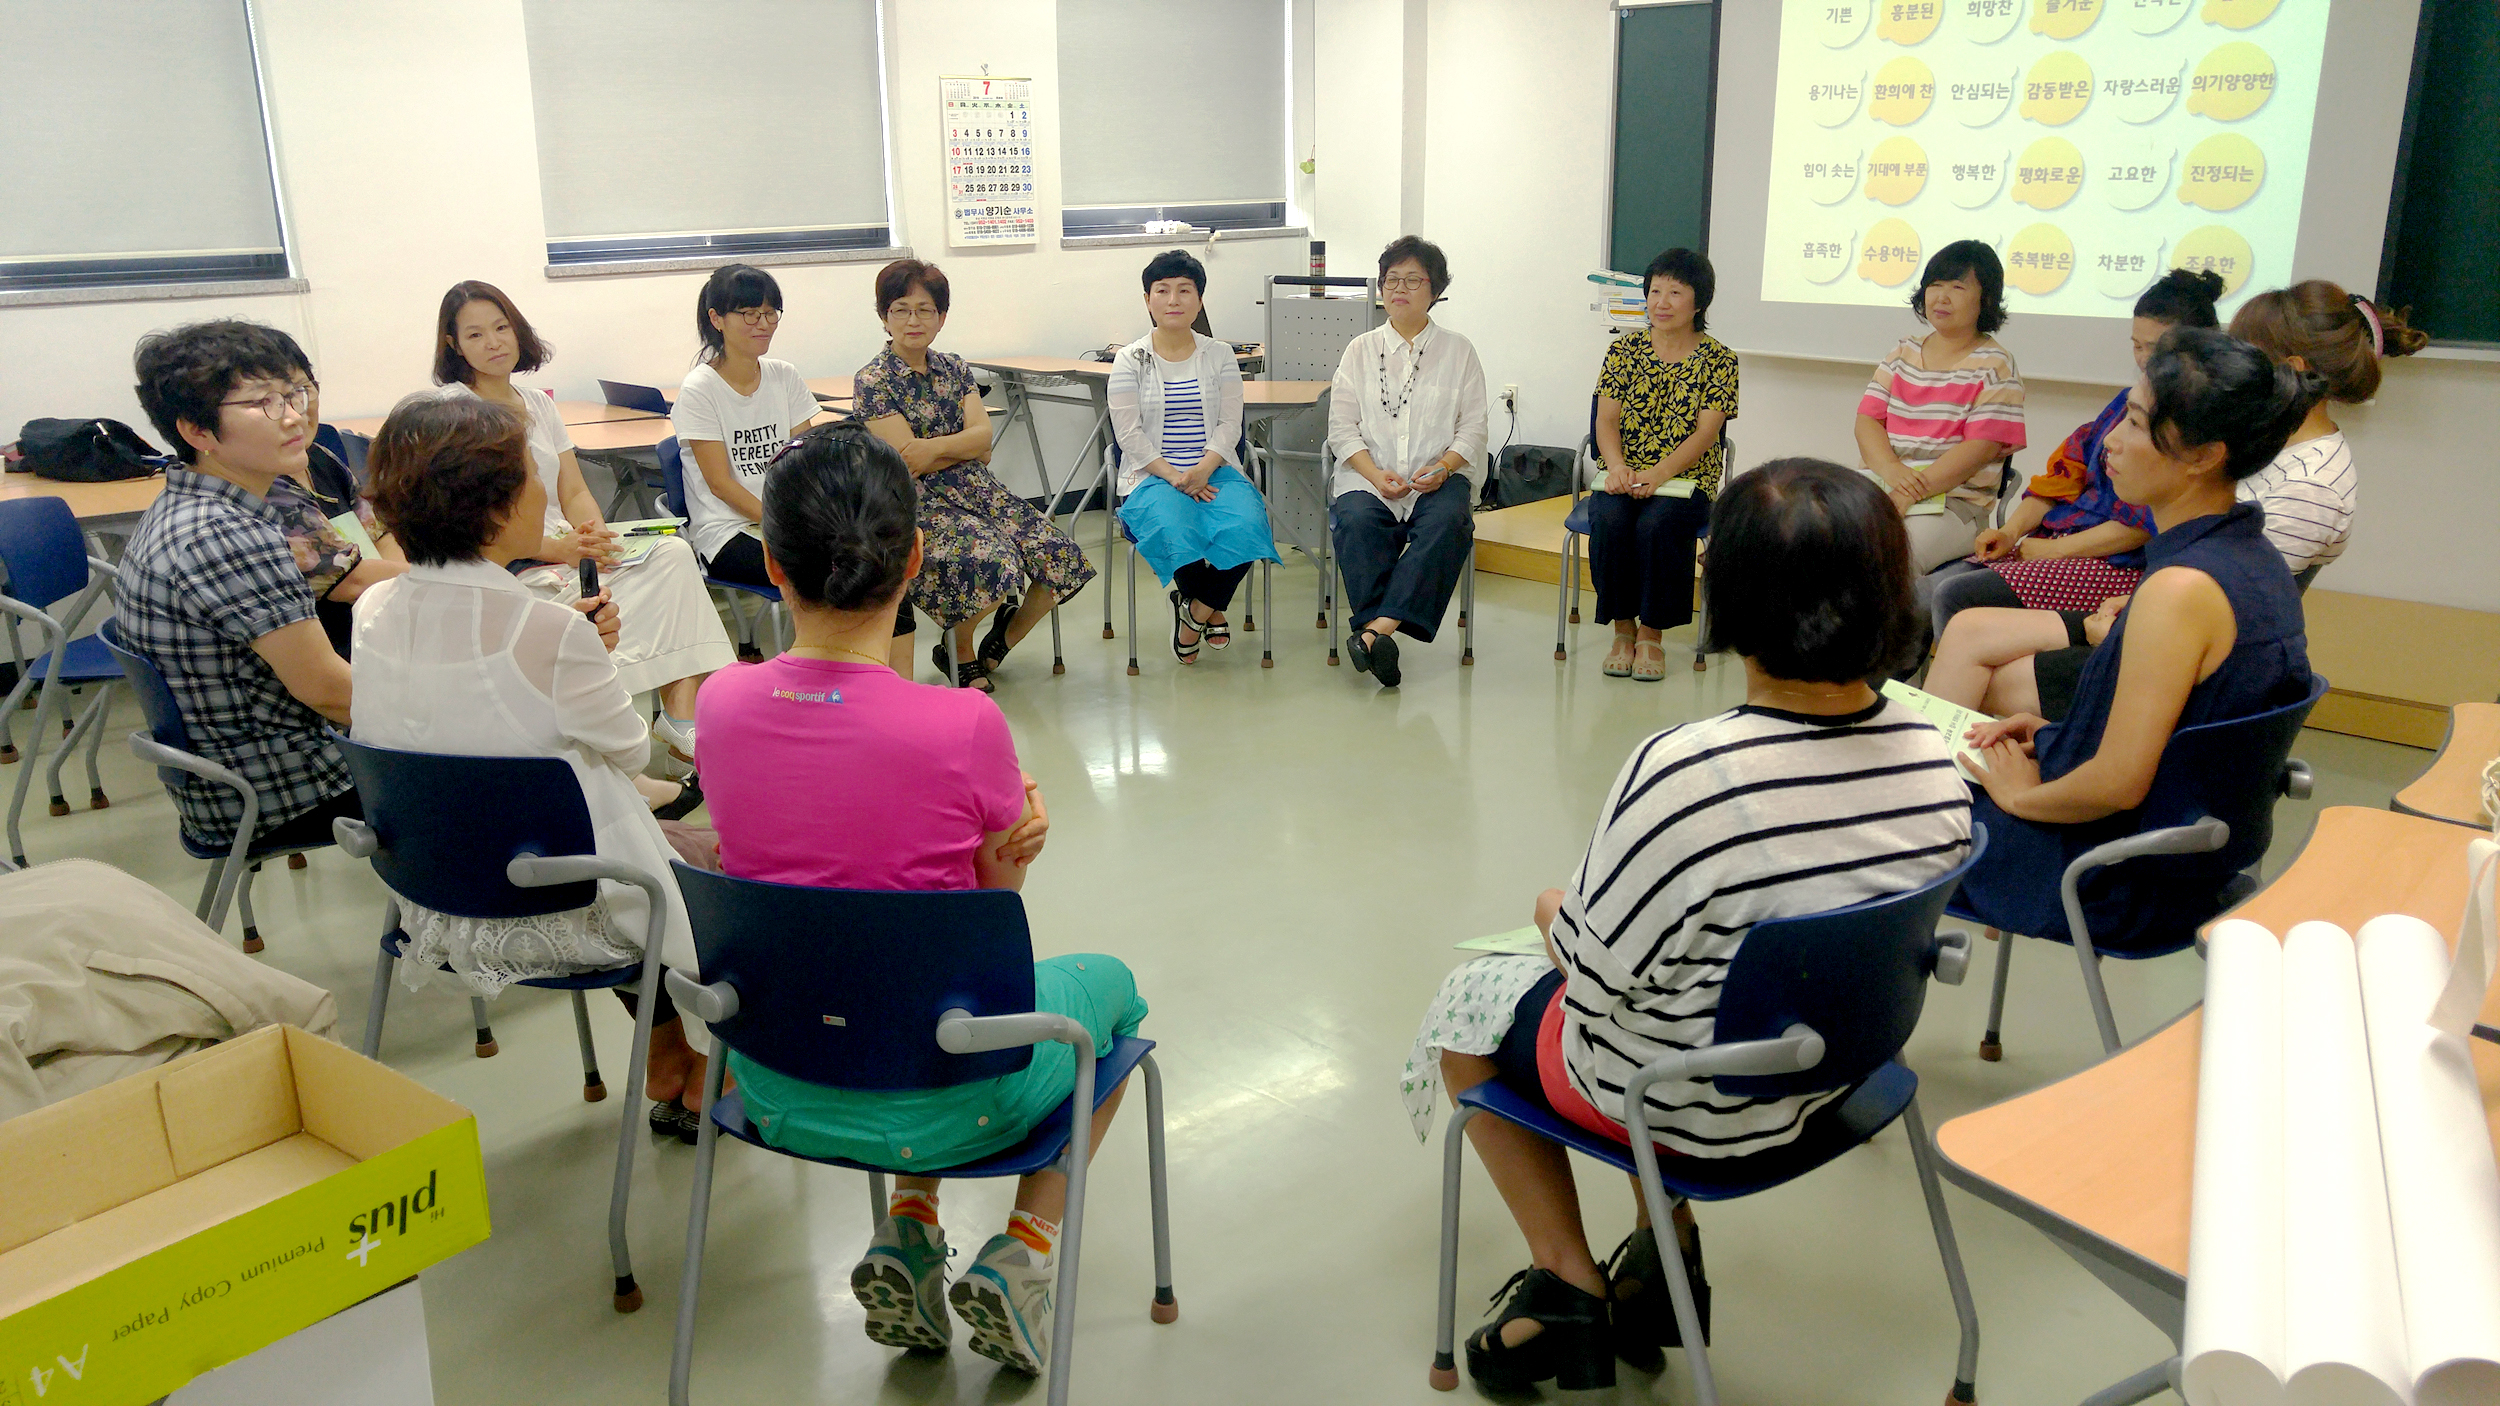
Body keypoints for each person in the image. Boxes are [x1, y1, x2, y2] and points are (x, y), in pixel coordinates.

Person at [1402, 459, 1971, 1392]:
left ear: (1731, 594)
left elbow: (1596, 978)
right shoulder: (1930, 749)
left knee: (1468, 1010)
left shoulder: (1689, 771)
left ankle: (1566, 1283)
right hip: (1840, 1078)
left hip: (1683, 1105)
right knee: (1692, 986)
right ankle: (1664, 1256)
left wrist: (1550, 907)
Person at [696, 423, 1144, 1377]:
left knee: (879, 974)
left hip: (773, 1079)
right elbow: (987, 909)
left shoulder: (720, 708)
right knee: (1108, 990)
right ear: (915, 556)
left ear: (772, 564)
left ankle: (909, 1224)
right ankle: (1025, 1248)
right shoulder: (962, 720)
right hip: (949, 1094)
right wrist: (1016, 854)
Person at [352, 395, 707, 1127]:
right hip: (563, 905)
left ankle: (671, 1055)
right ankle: (710, 1063)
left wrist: (565, 653)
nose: (543, 489)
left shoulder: (372, 610)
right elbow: (632, 750)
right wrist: (586, 657)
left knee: (643, 843)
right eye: (528, 475)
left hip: (436, 892)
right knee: (712, 860)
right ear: (499, 504)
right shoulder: (544, 630)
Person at [1948, 329, 2321, 949]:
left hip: (2108, 875)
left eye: (2139, 425)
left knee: (1868, 815)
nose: (2112, 442)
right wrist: (2043, 734)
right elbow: (2174, 748)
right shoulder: (2250, 557)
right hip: (2172, 858)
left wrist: (2020, 798)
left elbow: (2118, 783)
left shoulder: (2181, 590)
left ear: (2203, 455)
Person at [1929, 283, 2417, 722]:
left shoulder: (2308, 487)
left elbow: (2219, 609)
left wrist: (2119, 618)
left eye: (2243, 351)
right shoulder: (2261, 449)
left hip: (2172, 649)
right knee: (1969, 625)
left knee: (1982, 670)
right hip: (2146, 614)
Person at [420, 280, 736, 760]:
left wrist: (595, 534)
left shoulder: (539, 404)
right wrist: (560, 550)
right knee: (615, 602)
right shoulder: (452, 412)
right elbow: (474, 520)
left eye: (501, 328)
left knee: (672, 554)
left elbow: (573, 489)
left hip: (568, 551)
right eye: (476, 335)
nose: (494, 343)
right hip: (509, 564)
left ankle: (679, 712)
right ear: (453, 345)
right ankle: (612, 715)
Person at [116, 321, 372, 854]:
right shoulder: (228, 536)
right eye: (264, 403)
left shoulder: (191, 503)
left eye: (295, 393)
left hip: (238, 770)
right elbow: (331, 693)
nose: (295, 415)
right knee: (523, 753)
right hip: (283, 789)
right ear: (197, 432)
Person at [1918, 269, 2221, 643]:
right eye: (2136, 345)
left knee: (1954, 595)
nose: (2144, 360)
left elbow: (2143, 523)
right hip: (2055, 546)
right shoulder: (2125, 402)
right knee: (1927, 591)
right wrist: (2011, 531)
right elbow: (2063, 475)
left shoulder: (2186, 425)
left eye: (2156, 349)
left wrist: (2054, 550)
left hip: (2113, 566)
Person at [856, 258, 1095, 692]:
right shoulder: (873, 380)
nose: (914, 320)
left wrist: (936, 448)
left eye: (926, 309)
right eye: (901, 309)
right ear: (884, 317)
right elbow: (907, 462)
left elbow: (984, 442)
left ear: (942, 317)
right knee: (992, 559)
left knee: (1060, 554)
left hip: (980, 491)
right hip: (916, 502)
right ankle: (959, 651)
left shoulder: (954, 367)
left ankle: (1004, 638)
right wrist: (959, 447)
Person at [671, 264, 888, 671]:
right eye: (749, 313)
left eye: (771, 313)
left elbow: (805, 461)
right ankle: (817, 673)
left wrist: (816, 516)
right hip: (727, 530)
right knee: (826, 572)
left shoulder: (783, 376)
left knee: (867, 558)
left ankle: (862, 670)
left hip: (790, 517)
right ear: (716, 319)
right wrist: (786, 524)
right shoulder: (700, 389)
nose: (763, 323)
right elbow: (720, 485)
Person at [1327, 236, 1488, 688]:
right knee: (1357, 521)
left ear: (1434, 290)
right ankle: (1383, 636)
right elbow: (1341, 429)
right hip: (1368, 475)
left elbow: (1474, 428)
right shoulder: (1358, 351)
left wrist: (1444, 467)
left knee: (1448, 523)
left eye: (1413, 280)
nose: (1399, 288)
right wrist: (1375, 475)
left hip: (1439, 475)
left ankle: (1376, 631)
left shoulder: (1459, 351)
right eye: (1390, 280)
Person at [1107, 248, 1277, 664]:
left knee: (1247, 525)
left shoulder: (1219, 355)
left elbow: (1230, 424)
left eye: (1185, 290)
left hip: (1214, 469)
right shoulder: (1130, 359)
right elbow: (1128, 434)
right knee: (1173, 525)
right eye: (1161, 291)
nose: (1173, 300)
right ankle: (1211, 607)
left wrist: (1202, 470)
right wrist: (1174, 477)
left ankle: (1194, 612)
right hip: (1152, 477)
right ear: (1147, 300)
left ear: (1199, 300)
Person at [1584, 248, 1740, 681]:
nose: (1661, 302)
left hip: (1685, 481)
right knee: (1611, 519)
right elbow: (1607, 420)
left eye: (1675, 292)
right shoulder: (1623, 352)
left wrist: (1658, 475)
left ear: (1699, 302)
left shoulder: (1720, 360)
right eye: (1654, 291)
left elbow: (1706, 434)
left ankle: (1651, 634)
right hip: (1622, 474)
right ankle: (1622, 630)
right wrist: (1616, 467)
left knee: (1658, 525)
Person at [1854, 239, 2027, 573]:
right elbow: (1867, 422)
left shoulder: (1996, 365)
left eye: (1958, 287)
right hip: (1885, 486)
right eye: (1935, 285)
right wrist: (1892, 472)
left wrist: (1910, 492)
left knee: (1890, 558)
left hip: (1954, 504)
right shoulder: (1902, 352)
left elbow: (1979, 448)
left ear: (1986, 299)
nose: (1941, 297)